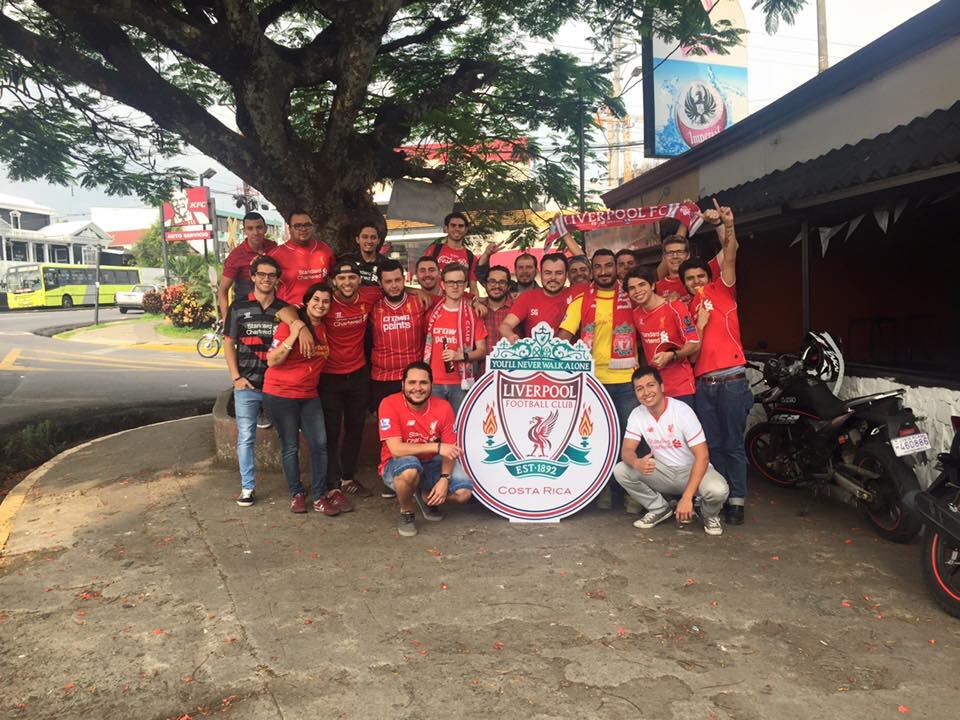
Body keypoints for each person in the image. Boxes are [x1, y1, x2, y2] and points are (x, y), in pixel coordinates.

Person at [680, 200, 751, 525]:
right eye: (690, 278)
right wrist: (700, 326)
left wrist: (725, 223)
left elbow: (731, 251)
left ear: (708, 276)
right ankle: (719, 495)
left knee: (734, 444)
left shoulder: (722, 290)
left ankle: (737, 499)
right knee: (714, 445)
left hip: (732, 380)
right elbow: (689, 351)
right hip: (703, 384)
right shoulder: (684, 309)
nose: (695, 281)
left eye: (699, 276)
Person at [558, 248, 639, 511]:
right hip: (593, 382)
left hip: (627, 380)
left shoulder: (632, 295)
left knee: (630, 439)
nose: (604, 271)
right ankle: (601, 490)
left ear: (617, 268)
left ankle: (632, 494)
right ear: (592, 271)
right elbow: (564, 336)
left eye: (609, 266)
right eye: (598, 267)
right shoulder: (581, 299)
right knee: (597, 439)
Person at [263, 283, 350, 515]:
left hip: (309, 395)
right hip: (281, 394)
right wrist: (295, 332)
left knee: (320, 445)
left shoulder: (324, 328)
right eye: (316, 300)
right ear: (307, 302)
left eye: (325, 301)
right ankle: (297, 494)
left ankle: (320, 495)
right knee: (290, 447)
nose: (320, 305)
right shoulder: (289, 326)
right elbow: (272, 361)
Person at [613, 367, 729, 536]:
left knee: (718, 490)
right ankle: (659, 508)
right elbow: (627, 450)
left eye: (650, 385)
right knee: (622, 469)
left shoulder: (681, 411)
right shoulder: (637, 414)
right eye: (640, 389)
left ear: (662, 387)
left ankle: (708, 514)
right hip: (664, 471)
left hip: (694, 470)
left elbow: (703, 456)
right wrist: (636, 462)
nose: (646, 392)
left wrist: (687, 498)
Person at [379, 361, 473, 537]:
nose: (418, 388)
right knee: (410, 469)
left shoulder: (443, 407)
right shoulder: (389, 404)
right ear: (403, 385)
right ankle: (406, 512)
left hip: (431, 463)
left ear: (431, 385)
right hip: (396, 466)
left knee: (464, 493)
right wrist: (437, 447)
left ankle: (425, 494)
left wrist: (444, 479)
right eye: (412, 382)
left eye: (423, 382)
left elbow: (450, 450)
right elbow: (396, 450)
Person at [223, 255, 287, 507]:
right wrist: (235, 378)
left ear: (277, 279)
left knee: (288, 436)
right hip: (247, 385)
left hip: (277, 385)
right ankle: (247, 487)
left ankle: (293, 486)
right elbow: (228, 343)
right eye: (261, 274)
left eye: (271, 275)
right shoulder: (237, 307)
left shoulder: (284, 309)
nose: (266, 279)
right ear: (252, 277)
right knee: (246, 437)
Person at [624, 266, 700, 408]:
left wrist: (672, 355)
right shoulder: (635, 314)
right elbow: (633, 340)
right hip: (653, 390)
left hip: (681, 387)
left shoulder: (675, 307)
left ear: (652, 285)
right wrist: (634, 360)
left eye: (642, 284)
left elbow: (694, 343)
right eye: (632, 288)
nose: (638, 291)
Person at [423, 263, 487, 416]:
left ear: (465, 284)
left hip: (461, 384)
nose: (455, 286)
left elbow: (482, 351)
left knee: (459, 428)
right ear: (443, 284)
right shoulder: (431, 313)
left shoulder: (473, 315)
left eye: (459, 282)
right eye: (450, 282)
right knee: (435, 428)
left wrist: (461, 356)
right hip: (433, 382)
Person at [499, 253, 577, 341]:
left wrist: (565, 238)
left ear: (567, 275)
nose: (553, 278)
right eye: (548, 273)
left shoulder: (577, 293)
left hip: (569, 354)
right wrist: (511, 336)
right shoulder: (527, 297)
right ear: (540, 274)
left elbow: (585, 260)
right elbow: (505, 325)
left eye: (559, 273)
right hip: (534, 353)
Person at [218, 211, 278, 322]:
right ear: (244, 231)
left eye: (259, 227)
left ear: (265, 229)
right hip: (246, 309)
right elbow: (223, 290)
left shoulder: (273, 247)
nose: (255, 232)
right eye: (250, 228)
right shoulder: (235, 256)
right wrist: (227, 320)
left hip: (272, 307)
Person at [269, 209, 336, 304]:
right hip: (291, 313)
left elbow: (336, 278)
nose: (303, 229)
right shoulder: (275, 255)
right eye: (297, 226)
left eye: (307, 225)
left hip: (320, 310)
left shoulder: (325, 250)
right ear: (289, 229)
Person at [656, 233, 722, 302]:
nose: (675, 256)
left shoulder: (704, 270)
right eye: (670, 253)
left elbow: (728, 249)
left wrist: (719, 224)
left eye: (680, 252)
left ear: (688, 255)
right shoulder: (656, 287)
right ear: (664, 257)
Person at [424, 212, 479, 295]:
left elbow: (473, 287)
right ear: (446, 228)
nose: (457, 229)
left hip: (458, 303)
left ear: (466, 230)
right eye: (453, 225)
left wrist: (475, 304)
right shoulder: (433, 250)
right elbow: (423, 277)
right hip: (434, 301)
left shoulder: (471, 257)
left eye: (460, 226)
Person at [477, 265, 513, 366]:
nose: (497, 286)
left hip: (510, 373)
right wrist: (473, 302)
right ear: (485, 284)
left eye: (502, 282)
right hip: (480, 374)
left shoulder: (517, 309)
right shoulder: (476, 309)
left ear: (508, 286)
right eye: (492, 281)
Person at [338, 222, 385, 286]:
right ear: (357, 239)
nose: (369, 241)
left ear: (378, 240)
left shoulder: (385, 263)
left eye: (373, 237)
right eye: (365, 237)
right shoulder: (346, 260)